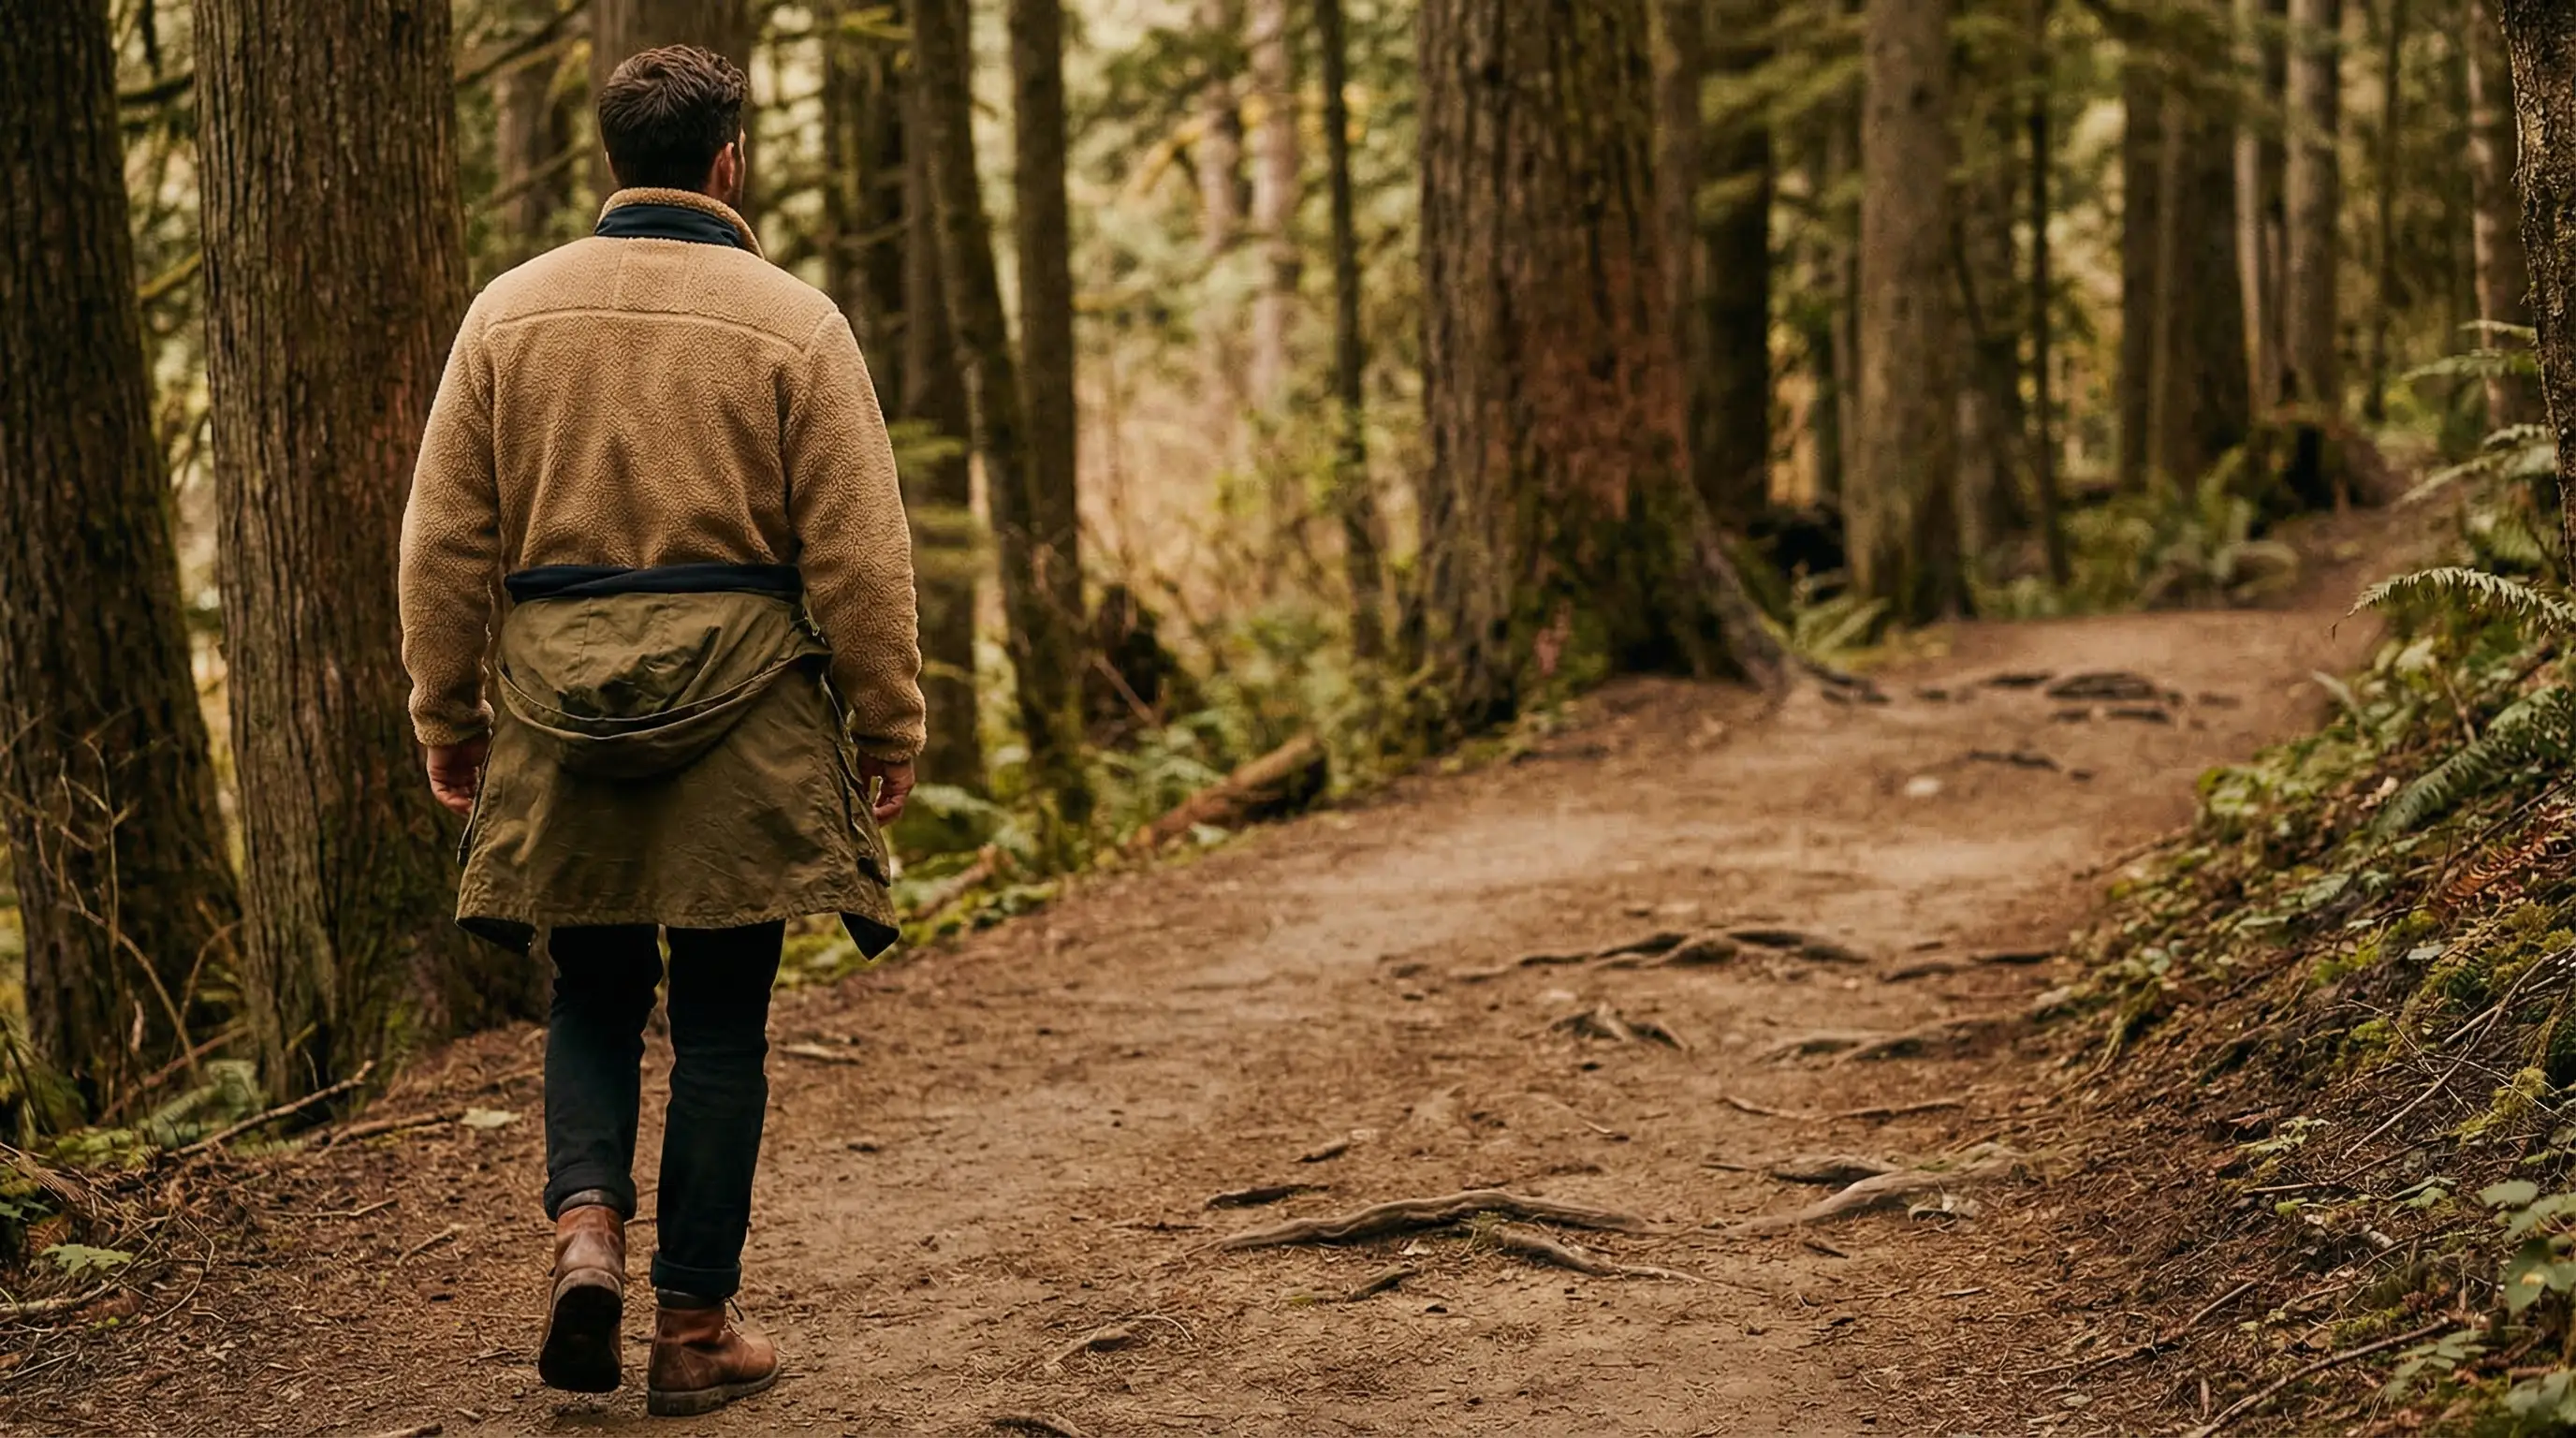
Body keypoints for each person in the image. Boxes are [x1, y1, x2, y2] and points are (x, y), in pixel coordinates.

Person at [398, 44, 923, 1417]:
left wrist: (448, 715)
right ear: (729, 161)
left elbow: (444, 543)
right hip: (745, 714)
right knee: (727, 1022)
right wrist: (889, 722)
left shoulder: (510, 315)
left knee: (592, 989)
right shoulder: (794, 321)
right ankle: (694, 1329)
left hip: (562, 719)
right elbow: (863, 556)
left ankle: (585, 1237)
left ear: (614, 159)